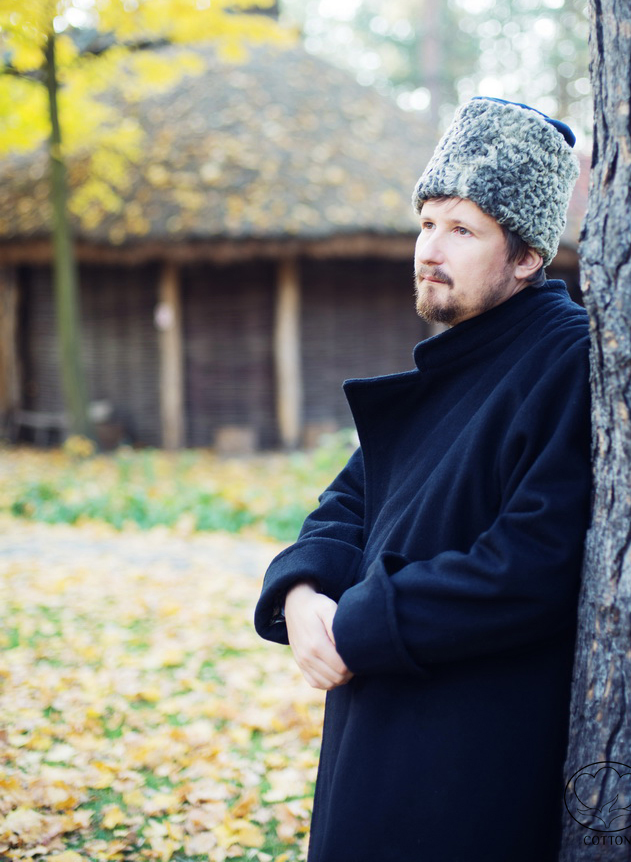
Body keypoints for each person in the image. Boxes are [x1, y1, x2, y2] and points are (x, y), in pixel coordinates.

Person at [254, 96, 591, 862]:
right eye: (427, 222)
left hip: (465, 756)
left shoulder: (565, 359)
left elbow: (533, 565)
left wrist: (361, 623)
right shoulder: (464, 349)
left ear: (527, 256)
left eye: (463, 230)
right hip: (377, 726)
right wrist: (302, 592)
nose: (430, 250)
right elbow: (353, 497)